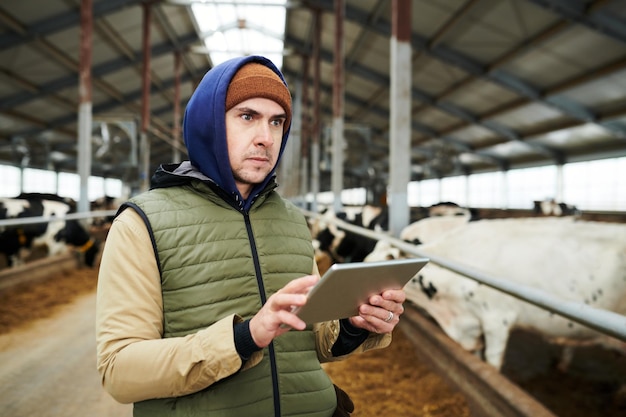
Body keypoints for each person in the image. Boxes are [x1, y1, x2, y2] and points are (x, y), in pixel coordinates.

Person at [96, 55, 406, 417]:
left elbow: (312, 340)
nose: (265, 138)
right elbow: (119, 371)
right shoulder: (142, 222)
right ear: (209, 123)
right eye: (247, 117)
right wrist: (245, 338)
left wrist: (355, 325)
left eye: (277, 122)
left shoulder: (291, 218)